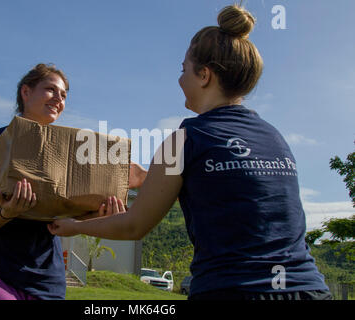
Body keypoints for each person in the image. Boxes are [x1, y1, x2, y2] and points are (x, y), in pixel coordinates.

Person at [48, 6, 333, 300]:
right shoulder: (275, 136)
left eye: (183, 70)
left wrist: (73, 226)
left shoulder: (183, 139)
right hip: (309, 289)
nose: (180, 79)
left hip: (233, 291)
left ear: (204, 76)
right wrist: (146, 177)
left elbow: (134, 225)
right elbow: (231, 182)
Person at [0, 63, 144, 300]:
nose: (59, 99)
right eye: (51, 90)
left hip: (47, 281)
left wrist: (96, 215)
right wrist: (8, 212)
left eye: (64, 95)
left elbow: (60, 223)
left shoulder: (71, 155)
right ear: (26, 92)